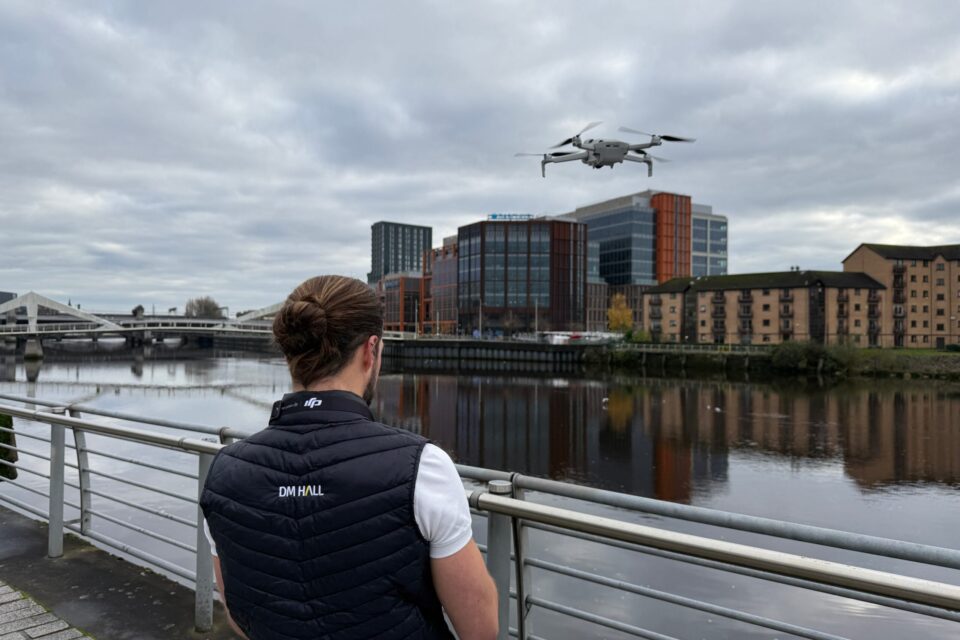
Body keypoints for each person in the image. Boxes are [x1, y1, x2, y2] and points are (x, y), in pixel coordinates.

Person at [199, 275, 498, 640]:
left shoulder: (225, 472)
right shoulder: (422, 467)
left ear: (289, 354)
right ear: (371, 351)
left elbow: (238, 615)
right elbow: (480, 628)